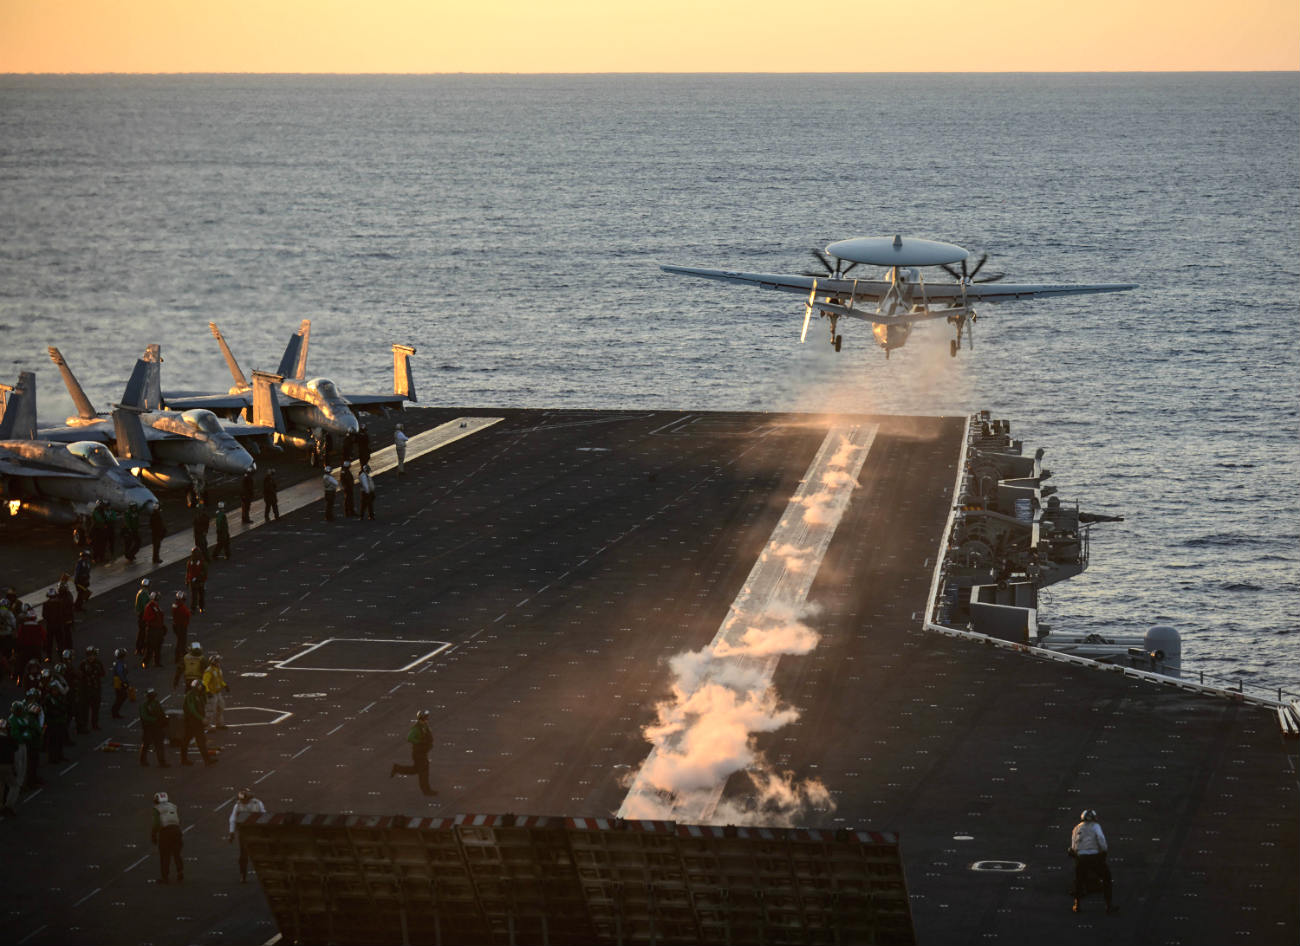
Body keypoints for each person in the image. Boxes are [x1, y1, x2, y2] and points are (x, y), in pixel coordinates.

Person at [1070, 808, 1115, 914]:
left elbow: (1073, 846)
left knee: (1079, 881)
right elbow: (1101, 840)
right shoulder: (1096, 826)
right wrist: (1104, 851)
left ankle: (1077, 905)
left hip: (1081, 858)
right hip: (1094, 857)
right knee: (1107, 878)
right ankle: (1109, 906)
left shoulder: (1076, 828)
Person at [390, 709, 437, 796]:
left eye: (426, 718)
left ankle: (397, 768)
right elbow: (409, 738)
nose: (426, 720)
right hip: (418, 754)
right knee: (423, 772)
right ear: (420, 719)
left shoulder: (424, 726)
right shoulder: (416, 728)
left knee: (415, 770)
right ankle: (426, 791)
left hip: (423, 752)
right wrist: (419, 741)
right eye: (424, 719)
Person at [227, 788, 267, 882]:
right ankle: (243, 875)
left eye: (244, 799)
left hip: (256, 832)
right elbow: (232, 819)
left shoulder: (257, 803)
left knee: (261, 855)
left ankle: (265, 875)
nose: (242, 801)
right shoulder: (237, 805)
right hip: (244, 833)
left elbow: (264, 815)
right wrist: (231, 832)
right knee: (243, 856)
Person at [151, 791, 184, 883]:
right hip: (177, 830)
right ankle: (180, 871)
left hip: (165, 832)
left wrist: (153, 835)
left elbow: (156, 824)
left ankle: (165, 877)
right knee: (177, 853)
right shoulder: (173, 806)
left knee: (165, 855)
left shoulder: (157, 808)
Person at [180, 679, 215, 766]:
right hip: (192, 721)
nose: (202, 687)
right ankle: (207, 760)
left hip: (196, 720)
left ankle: (184, 759)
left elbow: (202, 705)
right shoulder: (191, 695)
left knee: (189, 739)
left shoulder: (199, 694)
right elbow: (192, 709)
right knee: (199, 740)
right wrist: (201, 718)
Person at [138, 688, 169, 767]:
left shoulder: (156, 703)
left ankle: (162, 762)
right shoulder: (144, 705)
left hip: (157, 727)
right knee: (146, 744)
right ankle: (143, 760)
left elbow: (161, 712)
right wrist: (156, 719)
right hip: (148, 727)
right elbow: (144, 716)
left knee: (159, 744)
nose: (153, 697)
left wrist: (164, 719)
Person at [0, 717, 24, 816]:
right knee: (14, 786)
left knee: (0, 785)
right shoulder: (9, 740)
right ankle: (8, 806)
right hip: (7, 766)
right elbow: (16, 748)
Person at [80, 645, 105, 731]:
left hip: (96, 688)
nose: (91, 657)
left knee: (96, 708)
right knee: (85, 709)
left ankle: (95, 724)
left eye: (93, 655)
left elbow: (103, 673)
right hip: (86, 689)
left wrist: (97, 670)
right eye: (89, 655)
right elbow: (79, 676)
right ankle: (84, 726)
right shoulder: (83, 664)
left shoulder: (98, 663)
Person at [202, 654, 229, 729]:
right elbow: (205, 683)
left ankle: (219, 724)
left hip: (218, 692)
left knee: (220, 707)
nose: (219, 662)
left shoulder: (218, 669)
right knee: (210, 710)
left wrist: (225, 685)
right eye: (217, 661)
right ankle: (206, 726)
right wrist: (207, 691)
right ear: (213, 662)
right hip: (212, 693)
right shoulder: (209, 671)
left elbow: (219, 680)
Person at [142, 592, 167, 668]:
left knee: (158, 646)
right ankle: (145, 662)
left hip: (158, 629)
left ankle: (157, 662)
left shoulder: (155, 606)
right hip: (152, 629)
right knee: (150, 647)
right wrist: (154, 617)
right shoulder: (149, 606)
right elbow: (146, 618)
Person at [170, 592, 191, 668]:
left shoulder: (175, 605)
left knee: (181, 640)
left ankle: (182, 654)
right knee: (181, 641)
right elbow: (187, 614)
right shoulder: (181, 606)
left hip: (177, 625)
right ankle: (179, 657)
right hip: (181, 626)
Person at [110, 647, 132, 719]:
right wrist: (124, 682)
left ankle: (115, 711)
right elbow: (120, 673)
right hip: (119, 683)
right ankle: (114, 711)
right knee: (121, 697)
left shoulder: (119, 662)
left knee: (120, 697)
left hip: (118, 682)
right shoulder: (120, 663)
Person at [133, 578, 152, 655]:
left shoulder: (140, 592)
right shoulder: (144, 593)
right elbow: (145, 606)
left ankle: (139, 648)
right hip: (143, 616)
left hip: (141, 615)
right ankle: (140, 648)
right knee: (143, 633)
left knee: (141, 632)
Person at [186, 548, 208, 614]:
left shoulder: (202, 562)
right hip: (193, 581)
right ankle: (194, 608)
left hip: (200, 581)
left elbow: (205, 573)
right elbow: (188, 572)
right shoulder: (190, 562)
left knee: (201, 595)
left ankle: (201, 607)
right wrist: (187, 580)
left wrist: (202, 580)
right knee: (194, 596)